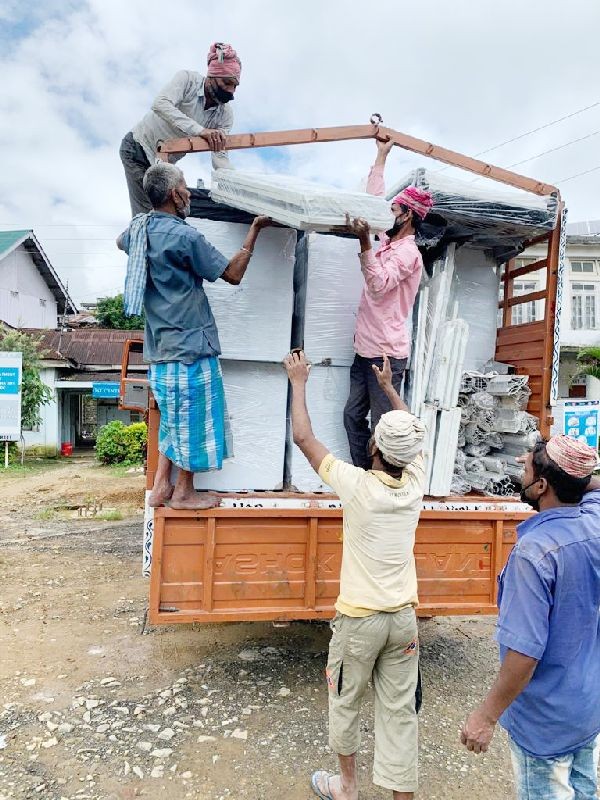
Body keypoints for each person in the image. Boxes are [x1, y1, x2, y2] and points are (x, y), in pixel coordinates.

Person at [284, 350, 427, 800]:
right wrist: (388, 389)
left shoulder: (358, 487)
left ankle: (347, 787)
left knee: (345, 700)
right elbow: (413, 436)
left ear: (373, 448)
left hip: (360, 623)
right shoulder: (416, 482)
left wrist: (299, 381)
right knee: (400, 711)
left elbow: (304, 438)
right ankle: (400, 794)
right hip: (403, 620)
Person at [117, 161, 271, 510]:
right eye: (184, 185)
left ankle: (160, 488)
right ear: (174, 194)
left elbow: (119, 241)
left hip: (160, 349)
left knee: (171, 419)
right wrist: (255, 230)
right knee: (193, 418)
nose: (189, 191)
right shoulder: (184, 236)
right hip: (189, 344)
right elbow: (232, 274)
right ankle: (183, 493)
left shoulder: (138, 230)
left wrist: (144, 224)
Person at [460, 434, 600, 800]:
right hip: (586, 707)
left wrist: (485, 717)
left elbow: (524, 654)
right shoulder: (594, 521)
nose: (519, 468)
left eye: (526, 468)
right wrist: (574, 473)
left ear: (541, 486)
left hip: (545, 721)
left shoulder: (534, 554)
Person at [343, 139, 433, 469]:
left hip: (386, 356)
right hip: (364, 350)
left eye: (395, 211)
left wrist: (364, 241)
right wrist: (381, 155)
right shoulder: (387, 239)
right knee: (352, 416)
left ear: (408, 216)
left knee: (385, 428)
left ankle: (385, 482)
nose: (389, 214)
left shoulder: (408, 253)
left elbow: (379, 284)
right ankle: (364, 475)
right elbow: (373, 200)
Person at [119, 42, 241, 216]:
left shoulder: (224, 115)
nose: (231, 91)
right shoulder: (187, 81)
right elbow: (160, 104)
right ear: (212, 76)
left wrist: (237, 186)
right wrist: (200, 131)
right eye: (227, 83)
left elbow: (220, 156)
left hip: (164, 164)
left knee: (179, 211)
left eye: (235, 86)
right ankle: (133, 240)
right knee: (148, 216)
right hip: (138, 149)